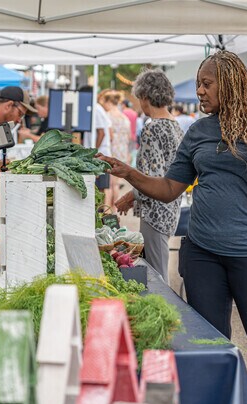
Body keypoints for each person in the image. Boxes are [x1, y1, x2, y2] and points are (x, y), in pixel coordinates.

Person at [99, 50, 247, 404]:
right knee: (208, 348)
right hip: (203, 255)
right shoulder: (198, 130)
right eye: (198, 83)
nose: (199, 90)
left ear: (229, 83)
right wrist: (129, 172)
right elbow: (168, 188)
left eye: (206, 83)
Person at [115, 69, 184, 280]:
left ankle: (165, 313)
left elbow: (150, 176)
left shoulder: (152, 128)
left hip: (155, 212)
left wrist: (130, 196)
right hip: (171, 209)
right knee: (159, 269)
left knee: (157, 277)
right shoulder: (175, 127)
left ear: (145, 97)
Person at [83, 86, 113, 206]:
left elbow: (101, 133)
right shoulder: (96, 109)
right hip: (101, 154)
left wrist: (93, 153)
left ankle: (99, 217)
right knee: (99, 189)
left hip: (100, 155)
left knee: (99, 189)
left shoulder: (95, 109)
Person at [101, 90, 132, 207]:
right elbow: (129, 137)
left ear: (109, 102)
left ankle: (109, 209)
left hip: (111, 151)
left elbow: (109, 136)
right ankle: (115, 208)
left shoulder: (107, 116)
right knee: (116, 184)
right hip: (122, 151)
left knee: (109, 184)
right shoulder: (124, 118)